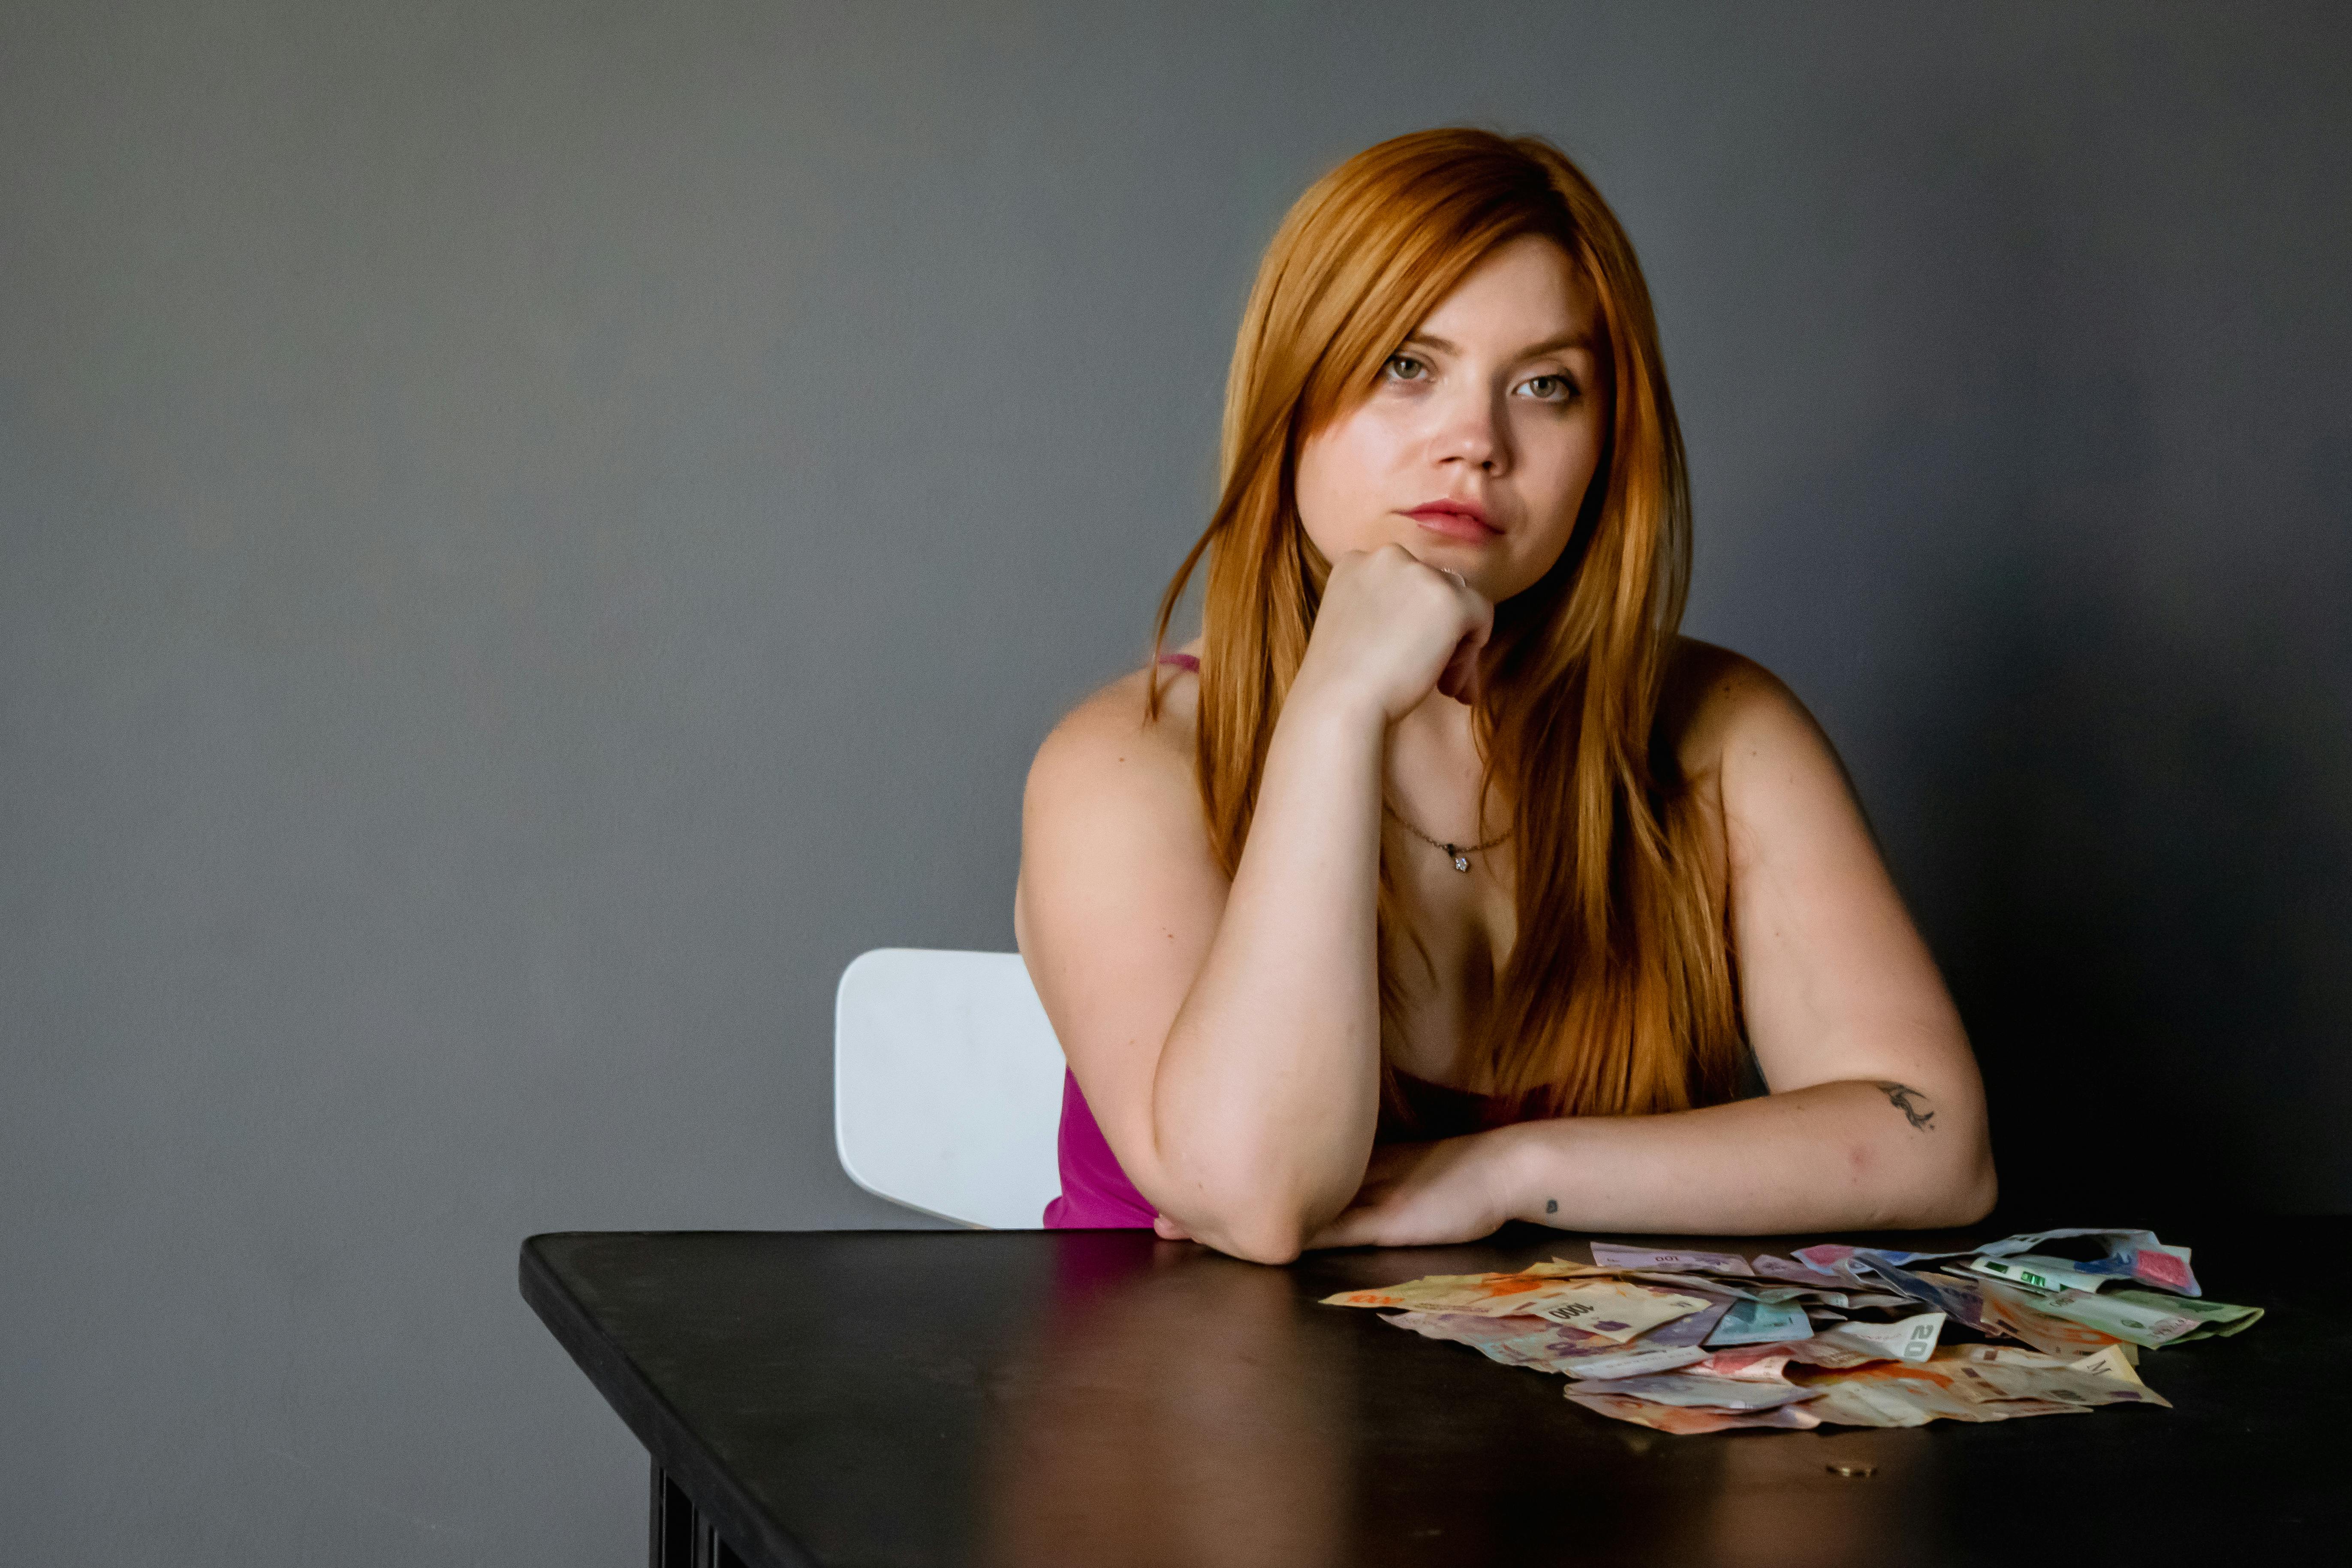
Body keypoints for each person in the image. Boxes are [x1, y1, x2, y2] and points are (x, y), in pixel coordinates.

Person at [1014, 128, 1995, 1264]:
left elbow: (1940, 1143)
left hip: (1568, 1434)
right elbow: (1259, 1199)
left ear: (1605, 444)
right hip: (1191, 1422)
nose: (1475, 444)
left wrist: (1509, 1171)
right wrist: (1335, 711)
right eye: (1407, 366)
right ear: (1295, 392)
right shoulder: (1127, 759)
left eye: (1546, 385)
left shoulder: (1719, 735)